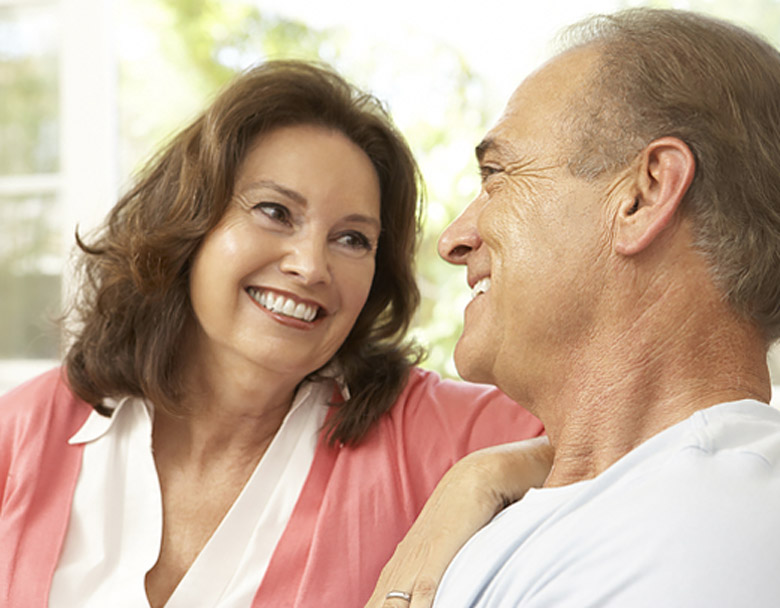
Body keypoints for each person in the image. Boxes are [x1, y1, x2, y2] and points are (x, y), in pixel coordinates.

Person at [0, 60, 547, 607]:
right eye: (275, 211)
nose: (311, 266)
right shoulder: (23, 433)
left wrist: (477, 480)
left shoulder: (436, 436)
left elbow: (620, 437)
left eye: (353, 239)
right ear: (190, 221)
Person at [425, 8, 780, 607]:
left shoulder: (705, 529)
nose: (453, 239)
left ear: (643, 197)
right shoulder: (631, 505)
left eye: (497, 175)